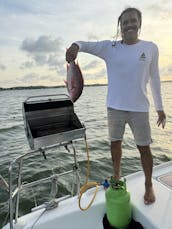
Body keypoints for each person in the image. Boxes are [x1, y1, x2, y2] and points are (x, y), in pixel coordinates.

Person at [65, 7, 166, 205]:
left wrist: (160, 108)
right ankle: (117, 177)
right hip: (115, 108)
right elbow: (85, 44)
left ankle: (148, 184)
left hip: (140, 109)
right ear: (120, 26)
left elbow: (154, 78)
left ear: (140, 23)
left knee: (144, 148)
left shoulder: (151, 47)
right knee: (115, 144)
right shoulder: (109, 48)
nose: (129, 25)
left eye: (133, 21)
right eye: (125, 22)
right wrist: (75, 46)